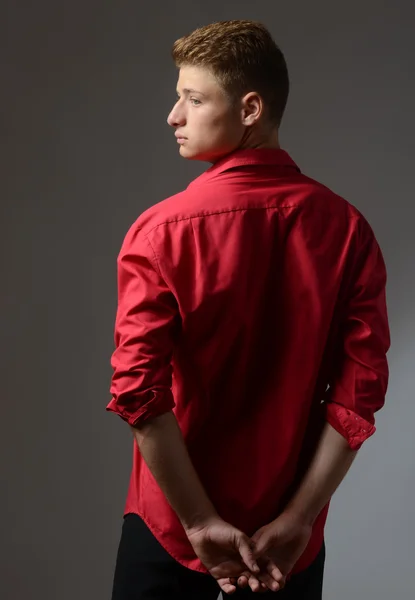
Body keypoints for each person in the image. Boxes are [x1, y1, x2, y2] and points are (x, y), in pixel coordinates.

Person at [107, 19, 390, 599]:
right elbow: (357, 394)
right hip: (288, 542)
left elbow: (140, 394)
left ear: (251, 107)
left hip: (171, 532)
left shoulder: (159, 232)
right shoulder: (348, 231)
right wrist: (300, 520)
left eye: (193, 98)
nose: (174, 116)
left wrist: (198, 523)